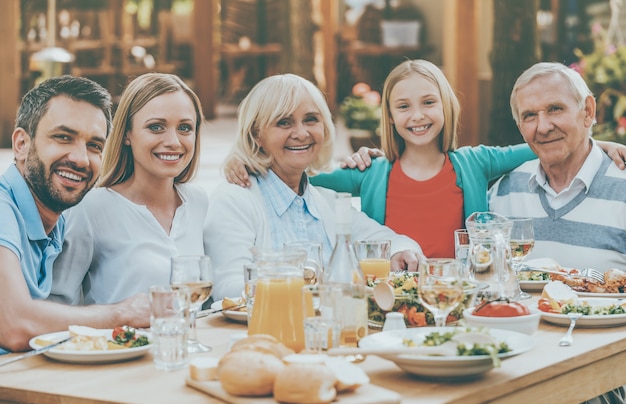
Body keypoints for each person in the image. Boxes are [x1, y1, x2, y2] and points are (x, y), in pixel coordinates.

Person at [224, 59, 625, 258]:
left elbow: (541, 142)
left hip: (459, 301)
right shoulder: (371, 172)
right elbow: (301, 174)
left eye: (428, 102)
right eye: (404, 106)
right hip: (394, 304)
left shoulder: (476, 163)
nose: (417, 116)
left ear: (446, 107)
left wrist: (599, 140)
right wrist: (245, 160)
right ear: (390, 116)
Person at [204, 73, 423, 300]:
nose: (301, 133)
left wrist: (401, 252)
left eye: (310, 119)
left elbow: (390, 241)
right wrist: (310, 291)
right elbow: (229, 289)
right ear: (256, 134)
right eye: (284, 122)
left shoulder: (324, 201)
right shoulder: (235, 199)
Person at [489, 62, 626, 404]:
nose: (543, 126)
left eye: (555, 109)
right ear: (519, 126)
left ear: (588, 112)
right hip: (516, 370)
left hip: (604, 377)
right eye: (530, 115)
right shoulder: (503, 192)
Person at [0, 75, 149, 353]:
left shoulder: (58, 216)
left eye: (94, 146)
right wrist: (120, 315)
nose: (81, 159)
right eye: (63, 137)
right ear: (21, 144)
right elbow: (14, 324)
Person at [50, 73, 208, 306]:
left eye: (185, 128)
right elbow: (57, 304)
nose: (174, 141)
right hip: (118, 342)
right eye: (156, 127)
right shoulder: (90, 207)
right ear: (126, 134)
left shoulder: (198, 202)